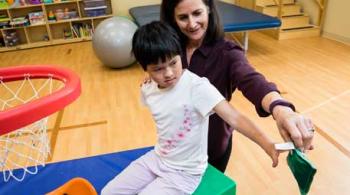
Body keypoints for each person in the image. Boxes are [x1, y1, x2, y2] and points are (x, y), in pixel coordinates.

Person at [101, 21, 279, 195]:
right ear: (144, 69)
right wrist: (152, 79)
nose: (169, 73)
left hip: (185, 173)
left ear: (180, 55)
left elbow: (235, 118)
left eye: (173, 63)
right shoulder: (148, 88)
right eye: (158, 69)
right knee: (108, 191)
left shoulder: (197, 87)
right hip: (158, 159)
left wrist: (267, 144)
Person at [160, 0, 315, 172]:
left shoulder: (227, 52)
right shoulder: (169, 49)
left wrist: (281, 110)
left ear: (209, 10)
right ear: (172, 18)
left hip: (213, 146)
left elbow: (252, 80)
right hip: (178, 145)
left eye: (197, 13)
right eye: (183, 17)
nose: (192, 23)